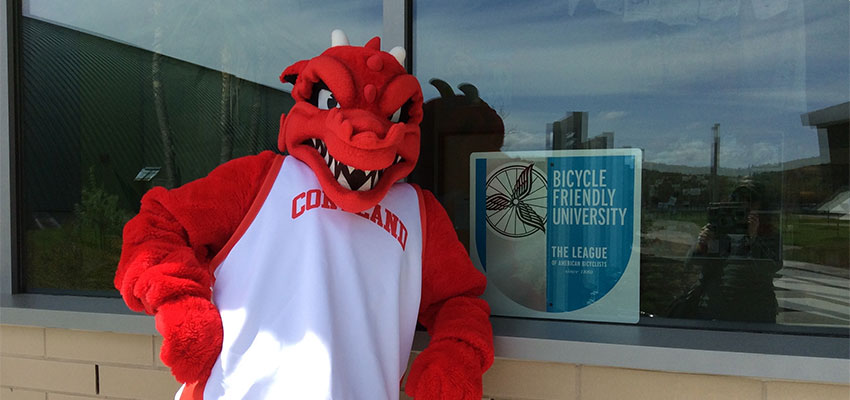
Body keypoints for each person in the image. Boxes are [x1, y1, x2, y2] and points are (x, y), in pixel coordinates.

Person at [669, 177, 782, 323]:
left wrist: (754, 239)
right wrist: (703, 244)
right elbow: (691, 264)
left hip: (755, 311)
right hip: (715, 309)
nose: (744, 204)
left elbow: (772, 267)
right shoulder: (721, 228)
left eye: (750, 200)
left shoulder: (768, 233)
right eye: (739, 199)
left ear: (761, 206)